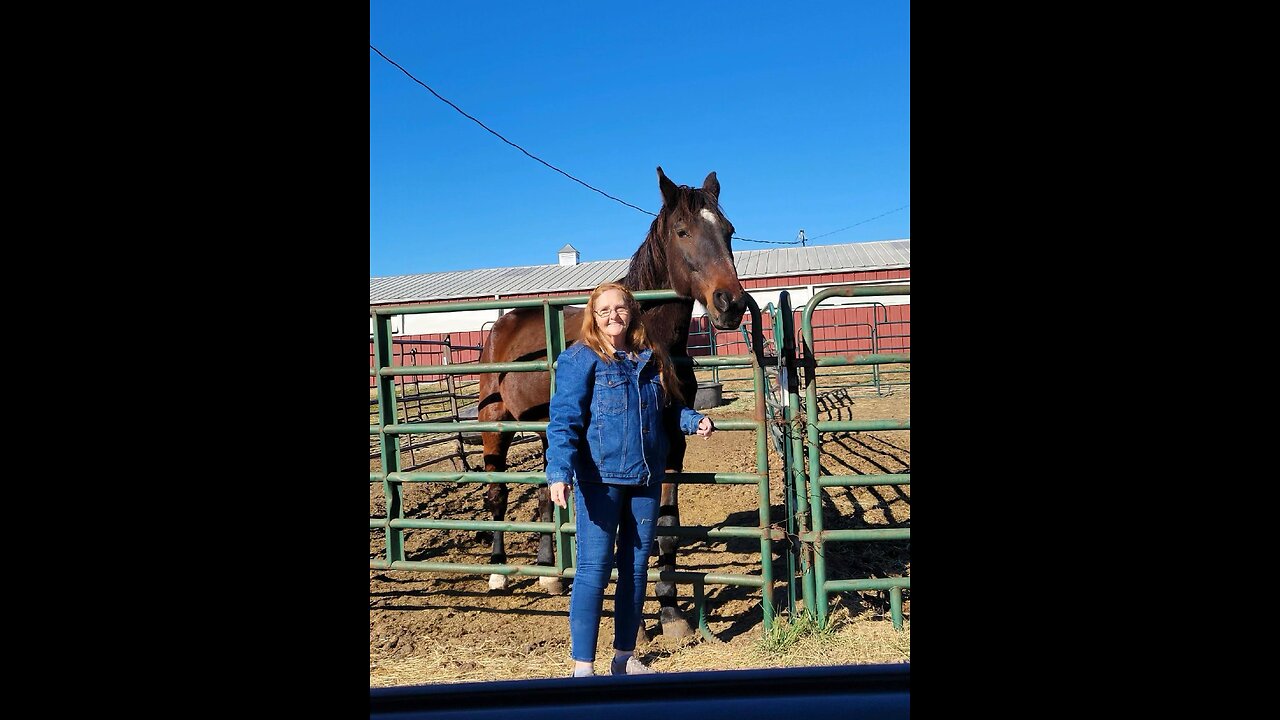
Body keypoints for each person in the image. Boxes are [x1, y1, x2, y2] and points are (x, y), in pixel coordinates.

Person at [545, 281, 715, 677]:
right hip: (600, 480)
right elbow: (565, 419)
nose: (612, 316)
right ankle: (582, 665)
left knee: (636, 568)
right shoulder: (580, 359)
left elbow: (668, 410)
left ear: (632, 311)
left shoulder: (650, 357)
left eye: (619, 308)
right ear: (593, 315)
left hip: (645, 477)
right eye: (603, 310)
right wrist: (559, 471)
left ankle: (624, 656)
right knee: (593, 569)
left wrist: (694, 420)